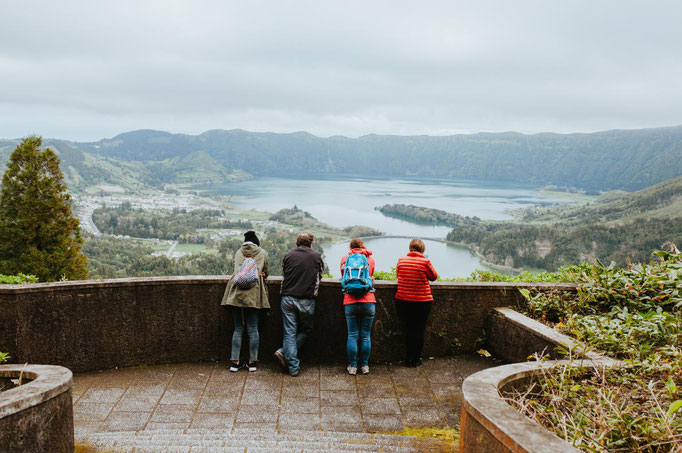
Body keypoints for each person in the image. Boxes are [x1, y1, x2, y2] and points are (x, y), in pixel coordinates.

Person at [274, 232, 324, 377]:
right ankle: (288, 360)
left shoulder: (288, 255)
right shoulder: (316, 256)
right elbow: (319, 276)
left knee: (289, 332)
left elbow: (285, 273)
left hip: (288, 297)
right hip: (307, 299)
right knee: (306, 329)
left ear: (297, 242)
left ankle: (290, 361)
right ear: (311, 242)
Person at [221, 230, 269, 372]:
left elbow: (236, 270)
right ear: (256, 243)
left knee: (238, 328)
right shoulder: (262, 253)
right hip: (254, 294)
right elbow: (266, 271)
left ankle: (235, 362)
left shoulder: (238, 253)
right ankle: (252, 362)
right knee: (253, 329)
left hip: (236, 293)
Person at [394, 238, 438, 367]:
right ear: (422, 249)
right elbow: (433, 277)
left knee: (408, 329)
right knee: (419, 330)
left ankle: (407, 359)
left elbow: (398, 275)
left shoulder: (401, 261)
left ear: (410, 248)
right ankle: (415, 359)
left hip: (403, 300)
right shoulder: (425, 262)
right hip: (422, 301)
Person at [340, 238, 376, 375]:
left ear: (351, 247)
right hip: (368, 300)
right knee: (366, 336)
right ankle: (364, 366)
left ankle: (353, 366)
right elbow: (370, 277)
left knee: (352, 335)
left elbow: (343, 277)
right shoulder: (370, 259)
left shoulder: (345, 258)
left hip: (350, 301)